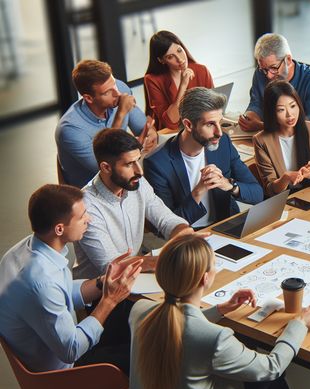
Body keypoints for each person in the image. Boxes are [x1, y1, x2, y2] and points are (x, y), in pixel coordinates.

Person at [128, 234, 310, 389]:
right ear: (205, 278)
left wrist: (219, 310)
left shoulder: (139, 311)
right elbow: (271, 367)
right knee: (274, 378)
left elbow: (180, 324)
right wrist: (299, 323)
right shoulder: (215, 339)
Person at [0, 184, 142, 373]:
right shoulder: (41, 282)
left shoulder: (27, 250)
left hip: (57, 343)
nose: (89, 220)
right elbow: (72, 350)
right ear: (59, 229)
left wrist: (103, 281)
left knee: (138, 319)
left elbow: (62, 292)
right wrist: (108, 301)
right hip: (65, 373)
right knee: (148, 351)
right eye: (82, 216)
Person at [74, 128, 194, 280]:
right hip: (100, 291)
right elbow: (111, 266)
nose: (140, 171)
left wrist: (183, 233)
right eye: (129, 164)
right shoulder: (86, 205)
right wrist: (166, 260)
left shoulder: (136, 182)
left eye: (138, 160)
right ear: (106, 167)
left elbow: (165, 218)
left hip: (135, 277)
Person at [144, 87, 263, 227]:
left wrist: (229, 185)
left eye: (220, 122)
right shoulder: (156, 163)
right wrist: (198, 191)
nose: (219, 132)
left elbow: (257, 194)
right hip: (189, 238)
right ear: (188, 125)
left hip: (226, 226)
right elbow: (166, 225)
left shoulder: (223, 142)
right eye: (210, 124)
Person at [56, 60, 158, 188]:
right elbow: (105, 166)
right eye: (107, 92)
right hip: (92, 190)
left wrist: (150, 135)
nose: (117, 93)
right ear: (88, 98)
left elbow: (143, 128)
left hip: (124, 171)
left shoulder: (118, 90)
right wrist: (120, 113)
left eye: (114, 84)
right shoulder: (71, 129)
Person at [253, 80, 310, 196]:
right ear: (271, 112)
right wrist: (286, 177)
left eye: (292, 106)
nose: (290, 114)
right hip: (283, 200)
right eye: (281, 109)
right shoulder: (261, 140)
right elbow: (270, 189)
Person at [239, 33, 310, 132]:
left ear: (288, 60)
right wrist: (248, 118)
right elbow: (256, 104)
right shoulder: (260, 73)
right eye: (264, 69)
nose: (268, 75)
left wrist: (262, 126)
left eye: (273, 68)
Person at [143, 30, 214, 131]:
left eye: (179, 50)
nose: (179, 59)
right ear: (161, 60)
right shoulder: (152, 80)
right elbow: (171, 122)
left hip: (201, 128)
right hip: (172, 133)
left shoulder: (201, 70)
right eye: (170, 57)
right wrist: (183, 85)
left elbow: (214, 106)